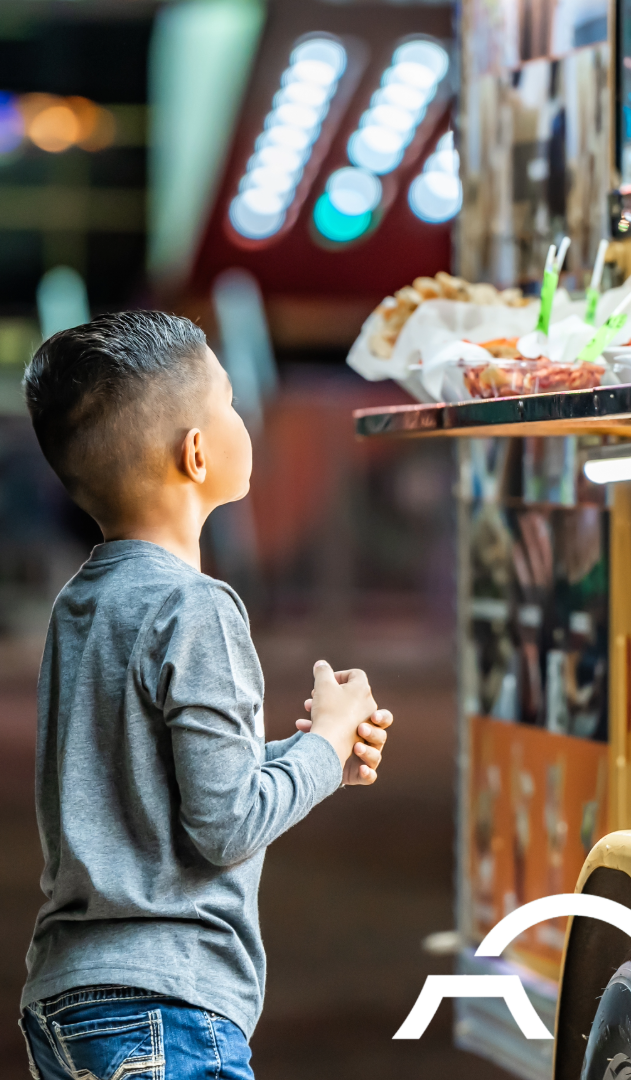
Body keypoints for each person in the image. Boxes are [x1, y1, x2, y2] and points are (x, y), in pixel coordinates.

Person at [16, 311, 392, 1079]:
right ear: (196, 454)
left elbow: (149, 785)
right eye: (228, 403)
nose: (242, 418)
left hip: (67, 999)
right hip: (166, 1008)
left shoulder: (81, 604)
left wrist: (313, 758)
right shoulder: (198, 609)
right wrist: (325, 741)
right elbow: (224, 825)